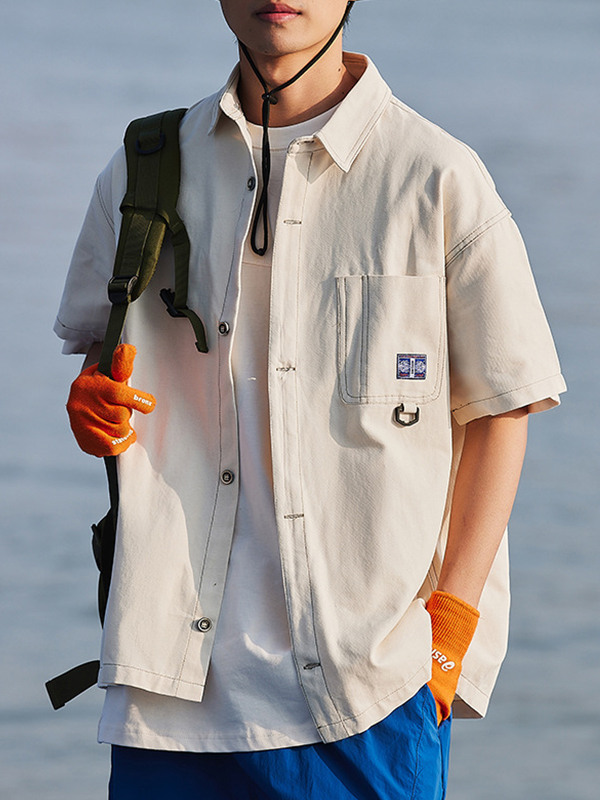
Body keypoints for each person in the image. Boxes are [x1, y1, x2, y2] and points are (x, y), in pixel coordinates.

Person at [54, 1, 566, 797]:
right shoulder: (144, 166)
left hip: (371, 696)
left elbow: (506, 407)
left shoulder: (435, 174)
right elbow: (103, 351)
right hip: (168, 698)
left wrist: (451, 630)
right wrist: (91, 401)